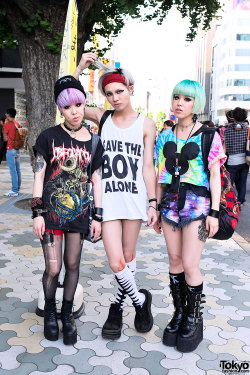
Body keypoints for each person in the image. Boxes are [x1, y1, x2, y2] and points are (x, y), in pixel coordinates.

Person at [74, 53, 157, 339]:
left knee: (129, 256)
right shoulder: (103, 117)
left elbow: (148, 167)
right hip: (107, 198)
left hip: (134, 198)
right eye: (109, 93)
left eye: (119, 91)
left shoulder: (146, 124)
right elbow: (70, 100)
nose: (114, 98)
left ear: (130, 89)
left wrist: (153, 203)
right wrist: (81, 68)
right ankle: (140, 301)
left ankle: (117, 305)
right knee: (115, 261)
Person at [154, 79, 226, 352]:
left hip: (198, 206)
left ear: (196, 104)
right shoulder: (165, 136)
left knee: (190, 262)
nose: (179, 103)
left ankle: (194, 317)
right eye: (176, 97)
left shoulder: (209, 135)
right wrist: (155, 207)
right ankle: (180, 312)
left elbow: (216, 176)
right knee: (174, 260)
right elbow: (161, 175)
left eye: (186, 99)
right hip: (170, 205)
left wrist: (215, 213)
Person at [32, 75, 104, 345]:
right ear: (60, 109)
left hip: (79, 214)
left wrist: (98, 216)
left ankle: (67, 312)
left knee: (73, 264)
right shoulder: (48, 137)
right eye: (67, 107)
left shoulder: (95, 142)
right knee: (54, 267)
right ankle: (50, 312)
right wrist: (37, 213)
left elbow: (96, 180)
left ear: (84, 104)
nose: (74, 111)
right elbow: (39, 176)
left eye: (78, 105)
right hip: (50, 215)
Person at [224, 107, 249, 208]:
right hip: (244, 160)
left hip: (231, 161)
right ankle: (241, 201)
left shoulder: (227, 129)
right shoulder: (247, 129)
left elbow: (226, 144)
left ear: (233, 116)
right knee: (242, 182)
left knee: (229, 184)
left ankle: (229, 203)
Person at [3, 108, 22, 196]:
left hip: (10, 149)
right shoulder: (17, 123)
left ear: (7, 115)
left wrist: (5, 125)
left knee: (13, 171)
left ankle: (14, 190)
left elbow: (5, 138)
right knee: (18, 170)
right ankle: (17, 188)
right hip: (17, 149)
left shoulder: (8, 124)